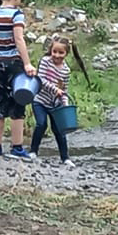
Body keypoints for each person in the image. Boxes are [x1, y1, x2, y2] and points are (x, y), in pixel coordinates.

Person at [0, 0, 36, 159]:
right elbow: (19, 39)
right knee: (18, 104)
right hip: (14, 63)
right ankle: (17, 147)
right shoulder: (17, 15)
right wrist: (27, 63)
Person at [30, 35, 75, 163]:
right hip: (40, 100)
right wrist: (55, 90)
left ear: (66, 53)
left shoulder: (66, 70)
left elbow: (64, 90)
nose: (57, 55)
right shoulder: (45, 61)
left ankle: (65, 158)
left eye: (61, 52)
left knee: (59, 130)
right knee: (41, 124)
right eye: (54, 51)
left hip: (55, 105)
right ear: (50, 50)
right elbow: (41, 80)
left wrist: (65, 106)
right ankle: (33, 151)